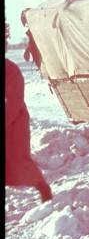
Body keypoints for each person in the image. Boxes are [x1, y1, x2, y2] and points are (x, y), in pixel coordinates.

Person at [5, 19, 52, 202]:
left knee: (19, 163)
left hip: (13, 123)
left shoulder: (10, 69)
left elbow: (13, 101)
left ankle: (43, 188)